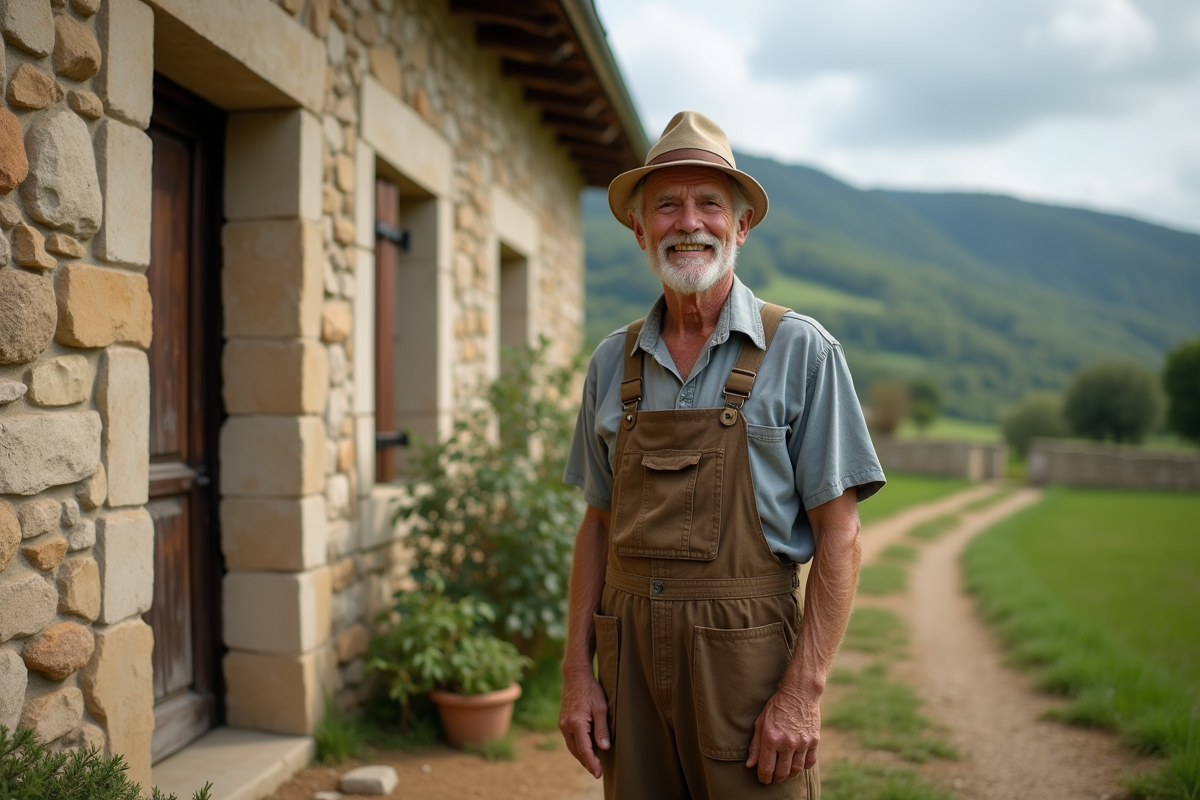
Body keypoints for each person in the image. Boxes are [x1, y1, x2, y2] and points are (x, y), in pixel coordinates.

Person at [558, 111, 886, 799]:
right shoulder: (609, 362)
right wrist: (576, 673)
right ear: (640, 228)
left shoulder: (802, 351)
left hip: (746, 662)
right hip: (630, 670)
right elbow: (597, 525)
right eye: (667, 205)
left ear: (740, 227)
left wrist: (802, 692)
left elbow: (841, 534)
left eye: (710, 203)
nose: (689, 222)